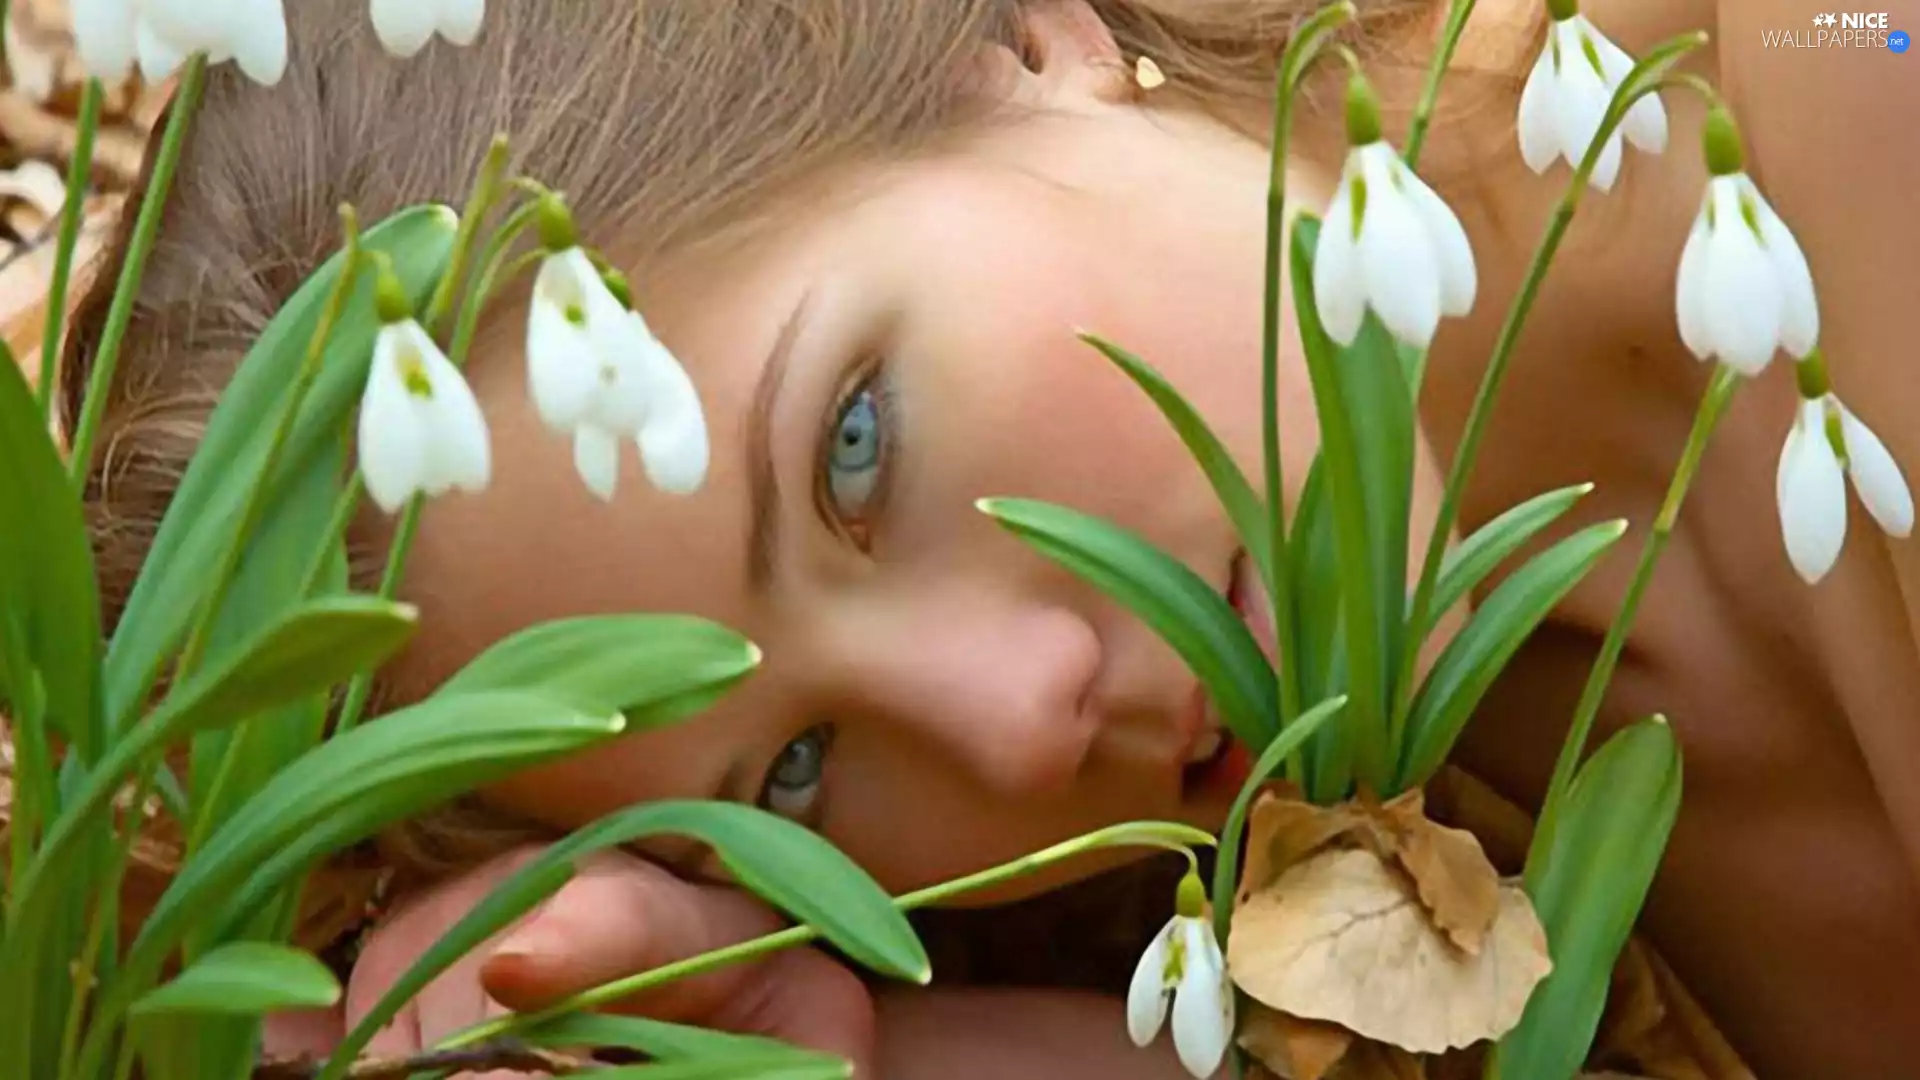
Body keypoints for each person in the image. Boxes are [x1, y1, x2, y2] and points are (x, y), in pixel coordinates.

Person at [61, 0, 1920, 1076]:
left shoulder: (1852, 83)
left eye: (855, 446)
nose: (1024, 721)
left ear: (1010, 38)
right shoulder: (1415, 886)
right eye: (791, 782)